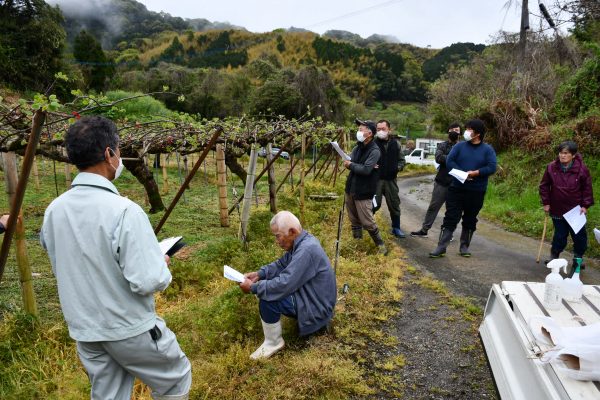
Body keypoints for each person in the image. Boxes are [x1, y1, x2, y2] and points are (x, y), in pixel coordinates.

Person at [40, 116, 191, 400]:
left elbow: (67, 255)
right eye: (118, 150)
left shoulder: (54, 211)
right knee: (176, 380)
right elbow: (149, 280)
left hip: (86, 331)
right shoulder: (124, 211)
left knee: (109, 394)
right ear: (110, 154)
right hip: (128, 328)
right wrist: (161, 264)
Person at [239, 211, 336, 359]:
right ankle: (274, 340)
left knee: (269, 297)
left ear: (292, 232)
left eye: (278, 236)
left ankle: (273, 343)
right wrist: (259, 274)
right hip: (314, 298)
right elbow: (281, 264)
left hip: (317, 308)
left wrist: (254, 288)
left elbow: (284, 284)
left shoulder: (306, 249)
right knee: (269, 289)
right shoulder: (302, 242)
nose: (277, 241)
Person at [429, 119, 497, 258]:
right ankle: (441, 246)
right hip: (456, 188)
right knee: (451, 217)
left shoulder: (487, 149)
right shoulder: (459, 147)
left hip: (477, 190)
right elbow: (449, 161)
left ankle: (464, 246)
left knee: (470, 219)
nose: (466, 131)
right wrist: (463, 174)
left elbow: (491, 167)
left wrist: (476, 173)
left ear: (478, 133)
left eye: (470, 129)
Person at [539, 140, 594, 276]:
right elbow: (544, 186)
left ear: (573, 155)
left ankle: (578, 259)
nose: (562, 156)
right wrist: (546, 202)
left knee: (579, 237)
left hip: (576, 211)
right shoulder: (551, 167)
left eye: (566, 153)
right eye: (560, 153)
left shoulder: (582, 169)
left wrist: (585, 205)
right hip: (557, 208)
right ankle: (554, 257)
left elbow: (587, 189)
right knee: (560, 236)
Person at [343, 119, 387, 255]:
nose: (359, 132)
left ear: (369, 133)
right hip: (351, 188)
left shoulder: (375, 151)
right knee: (354, 219)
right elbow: (356, 163)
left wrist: (351, 165)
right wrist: (356, 165)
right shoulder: (357, 147)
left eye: (361, 129)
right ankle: (358, 244)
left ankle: (381, 246)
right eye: (359, 129)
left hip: (364, 190)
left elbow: (366, 170)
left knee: (367, 221)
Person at [411, 123, 461, 237]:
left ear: (460, 133)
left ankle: (448, 233)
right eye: (452, 129)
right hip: (441, 182)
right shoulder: (442, 145)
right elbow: (438, 158)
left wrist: (447, 158)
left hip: (456, 183)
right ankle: (424, 230)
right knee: (433, 207)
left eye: (457, 130)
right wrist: (454, 159)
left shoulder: (463, 147)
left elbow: (464, 160)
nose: (454, 131)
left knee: (452, 210)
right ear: (448, 131)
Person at [373, 119, 407, 238]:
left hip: (391, 180)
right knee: (373, 204)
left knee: (394, 203)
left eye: (383, 129)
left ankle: (396, 228)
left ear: (389, 130)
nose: (381, 131)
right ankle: (369, 227)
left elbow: (402, 160)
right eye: (378, 129)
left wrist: (397, 168)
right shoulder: (373, 143)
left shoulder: (395, 144)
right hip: (376, 179)